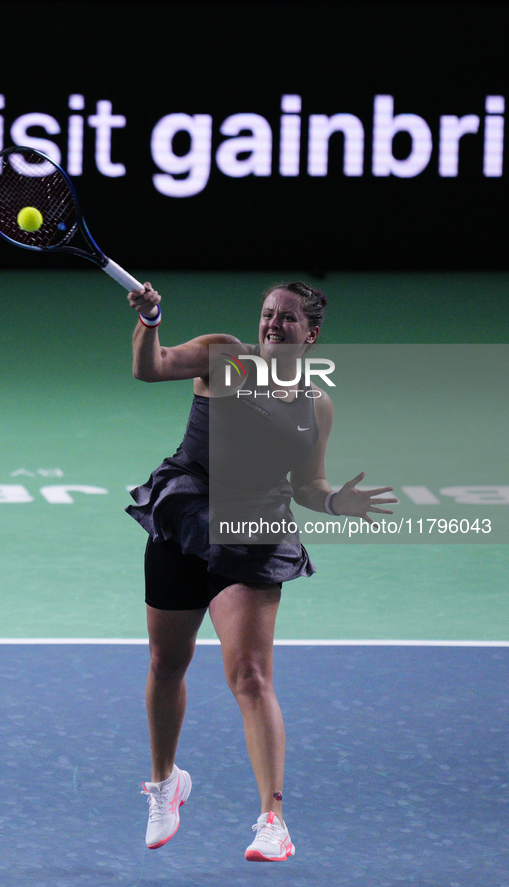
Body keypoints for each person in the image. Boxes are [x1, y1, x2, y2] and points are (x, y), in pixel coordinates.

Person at [125, 280, 396, 862]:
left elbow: (307, 485)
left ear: (312, 334)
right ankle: (166, 782)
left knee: (249, 674)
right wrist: (151, 318)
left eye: (289, 318)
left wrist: (333, 502)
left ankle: (273, 820)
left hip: (251, 535)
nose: (274, 324)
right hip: (185, 514)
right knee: (166, 662)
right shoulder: (224, 356)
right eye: (269, 314)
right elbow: (153, 368)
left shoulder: (315, 404)